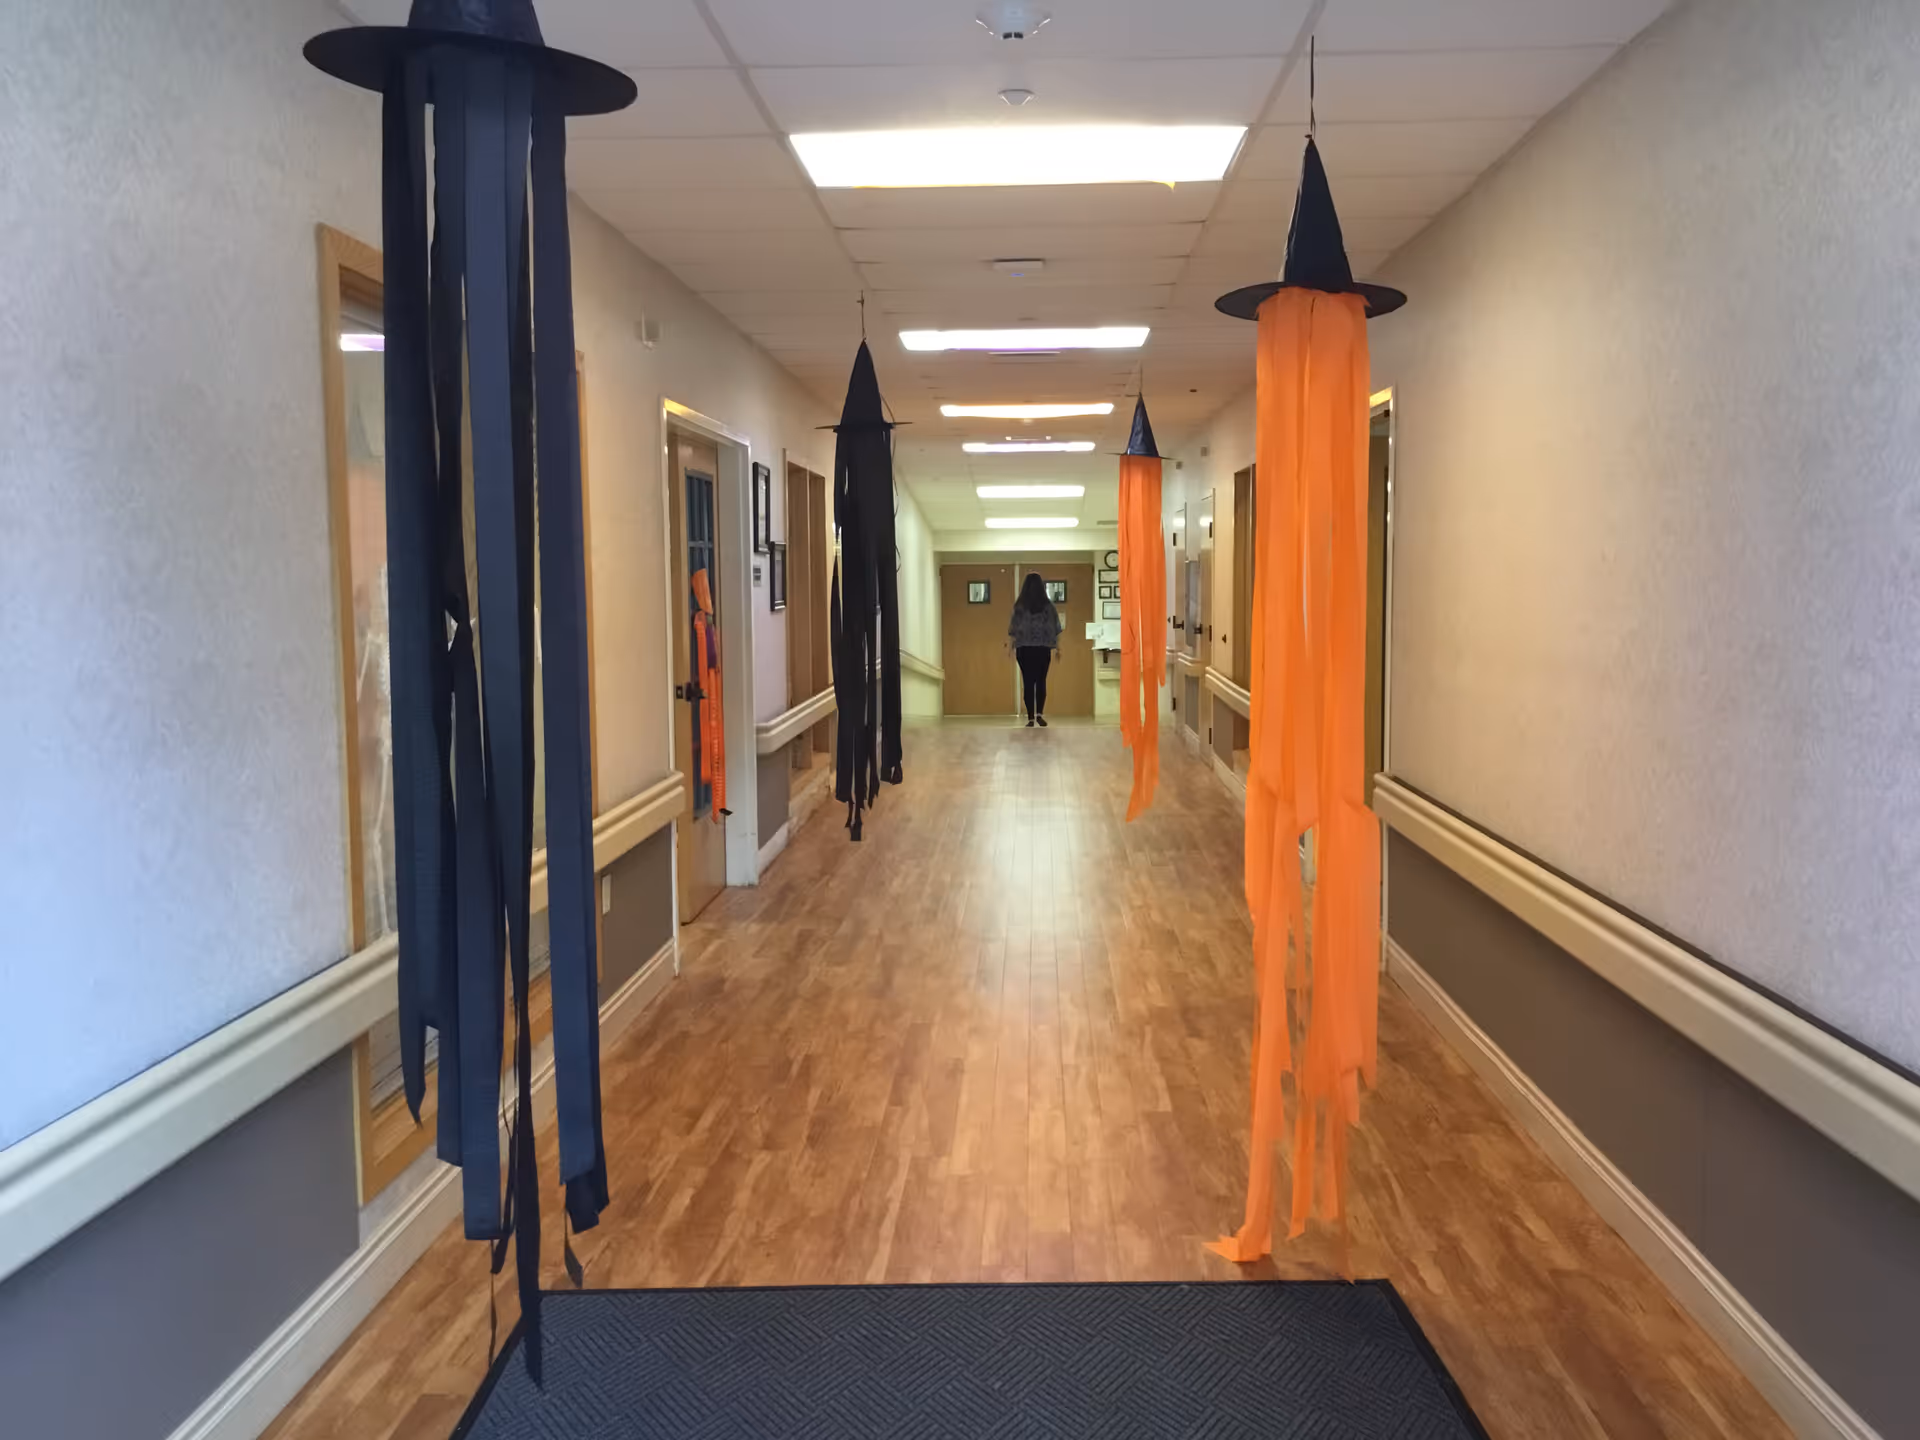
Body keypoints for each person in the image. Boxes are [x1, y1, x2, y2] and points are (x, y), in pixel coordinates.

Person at [1005, 572, 1063, 726]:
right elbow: (1054, 628)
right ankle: (1039, 715)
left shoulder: (1020, 606)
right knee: (1041, 681)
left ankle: (1030, 718)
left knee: (1028, 682)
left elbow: (1013, 629)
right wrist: (1057, 648)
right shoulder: (1048, 606)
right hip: (1043, 649)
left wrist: (1010, 648)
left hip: (1024, 649)